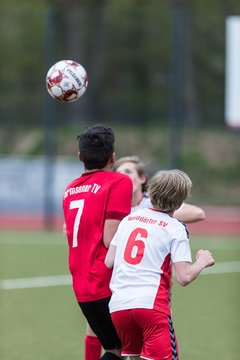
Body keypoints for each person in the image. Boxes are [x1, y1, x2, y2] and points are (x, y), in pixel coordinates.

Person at [86, 155, 206, 359]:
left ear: (150, 190)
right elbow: (184, 277)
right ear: (179, 203)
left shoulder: (128, 220)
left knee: (127, 356)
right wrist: (202, 261)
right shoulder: (176, 227)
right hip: (151, 306)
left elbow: (109, 262)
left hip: (119, 307)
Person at [63, 125, 133, 360]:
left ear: (80, 157)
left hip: (82, 285)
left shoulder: (70, 189)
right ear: (113, 157)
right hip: (107, 282)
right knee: (134, 350)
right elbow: (110, 238)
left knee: (113, 349)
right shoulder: (119, 182)